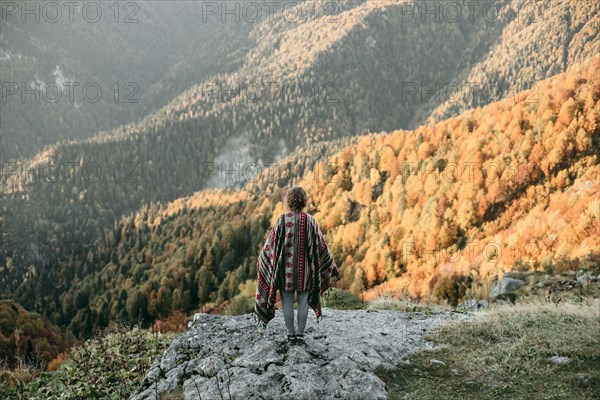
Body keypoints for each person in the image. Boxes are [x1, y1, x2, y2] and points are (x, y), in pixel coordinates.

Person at [253, 186, 339, 345]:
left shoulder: (282, 220)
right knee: (303, 302)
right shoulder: (311, 221)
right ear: (304, 201)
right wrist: (330, 264)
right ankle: (300, 335)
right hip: (305, 271)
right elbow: (321, 246)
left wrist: (262, 262)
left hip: (285, 271)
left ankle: (290, 335)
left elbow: (270, 247)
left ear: (289, 201)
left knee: (286, 302)